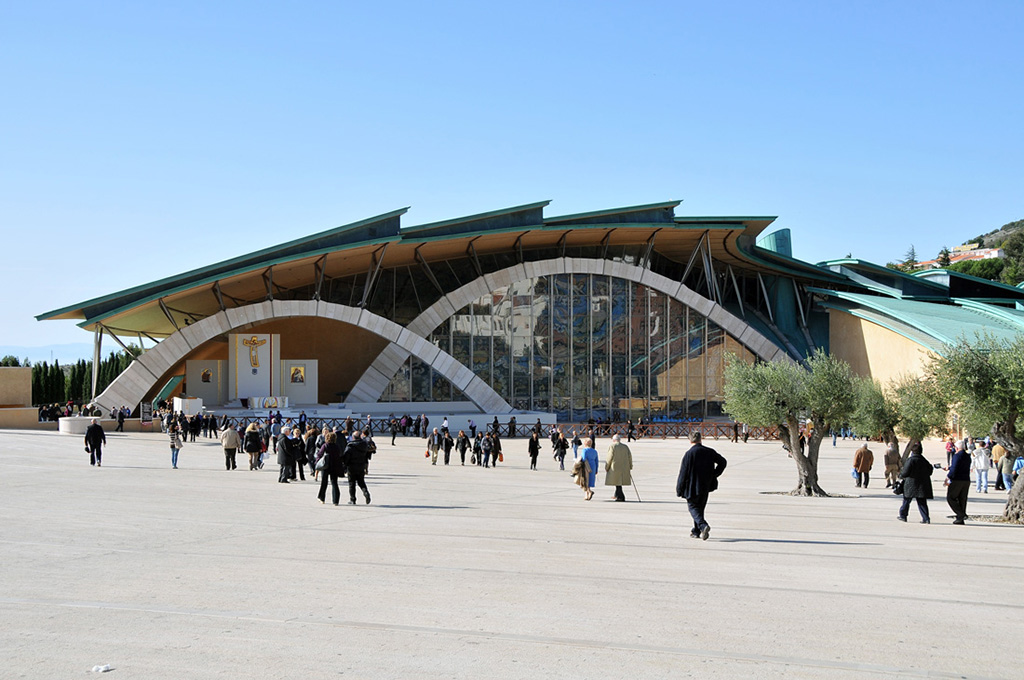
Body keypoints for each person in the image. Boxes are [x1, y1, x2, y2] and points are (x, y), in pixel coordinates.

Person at [676, 431, 728, 540]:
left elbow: (683, 473)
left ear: (690, 440)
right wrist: (714, 474)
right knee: (700, 509)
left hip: (692, 486)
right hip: (706, 485)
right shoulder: (709, 451)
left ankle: (703, 525)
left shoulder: (689, 454)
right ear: (700, 439)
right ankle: (696, 531)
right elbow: (723, 462)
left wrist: (679, 489)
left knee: (693, 507)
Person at [897, 442, 933, 523]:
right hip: (922, 484)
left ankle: (903, 516)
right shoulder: (924, 461)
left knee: (906, 501)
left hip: (910, 484)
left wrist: (900, 475)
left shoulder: (911, 460)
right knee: (922, 502)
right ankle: (926, 518)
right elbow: (930, 470)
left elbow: (905, 472)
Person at [945, 441, 972, 524]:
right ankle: (960, 519)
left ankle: (961, 514)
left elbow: (955, 468)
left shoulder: (957, 456)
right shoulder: (967, 456)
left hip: (957, 480)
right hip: (966, 480)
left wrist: (948, 476)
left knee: (951, 497)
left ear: (956, 448)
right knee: (962, 499)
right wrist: (950, 468)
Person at [342, 430, 371, 505]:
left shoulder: (350, 446)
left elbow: (346, 457)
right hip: (361, 465)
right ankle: (366, 492)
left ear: (353, 437)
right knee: (361, 482)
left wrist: (344, 465)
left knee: (352, 484)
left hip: (352, 466)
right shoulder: (364, 445)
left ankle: (353, 499)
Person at [316, 431, 344, 505]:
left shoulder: (325, 445)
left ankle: (322, 498)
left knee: (324, 482)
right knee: (334, 483)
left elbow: (320, 454)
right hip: (334, 466)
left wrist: (317, 462)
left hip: (326, 465)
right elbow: (340, 455)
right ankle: (336, 500)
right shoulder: (337, 446)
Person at [604, 433, 633, 501]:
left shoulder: (612, 446)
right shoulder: (625, 446)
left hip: (615, 467)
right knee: (619, 481)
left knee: (617, 482)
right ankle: (617, 494)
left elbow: (609, 457)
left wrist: (607, 466)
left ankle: (620, 496)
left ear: (614, 440)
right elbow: (630, 457)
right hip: (624, 467)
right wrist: (630, 466)